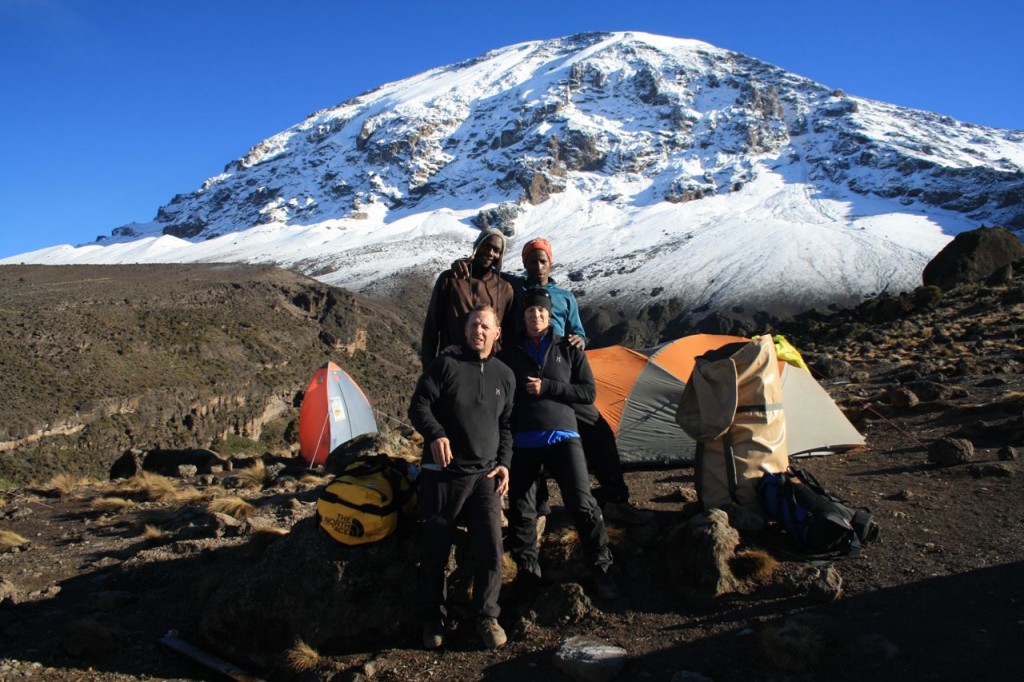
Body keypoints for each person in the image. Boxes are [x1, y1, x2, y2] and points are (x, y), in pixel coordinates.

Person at [458, 236, 652, 525]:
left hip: (562, 374)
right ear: (524, 264)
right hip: (525, 371)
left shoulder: (564, 297)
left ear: (550, 262)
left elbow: (579, 331)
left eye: (542, 260)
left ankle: (615, 498)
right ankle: (538, 507)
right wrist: (464, 264)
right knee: (527, 434)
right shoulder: (514, 289)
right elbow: (487, 269)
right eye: (531, 261)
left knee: (597, 430)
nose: (537, 265)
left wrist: (580, 339)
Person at [498, 288, 618, 610]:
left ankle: (602, 568)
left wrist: (548, 387)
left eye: (540, 311)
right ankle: (528, 577)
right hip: (524, 440)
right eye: (530, 312)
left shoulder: (569, 348)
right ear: (523, 316)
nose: (535, 316)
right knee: (522, 511)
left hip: (564, 435)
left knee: (582, 502)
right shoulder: (510, 352)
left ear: (549, 315)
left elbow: (588, 392)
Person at [408, 305, 515, 650]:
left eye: (485, 326)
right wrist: (436, 434)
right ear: (465, 330)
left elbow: (506, 426)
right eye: (473, 325)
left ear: (497, 333)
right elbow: (419, 405)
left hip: (484, 475)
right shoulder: (446, 365)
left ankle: (486, 616)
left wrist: (505, 463)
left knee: (491, 547)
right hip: (443, 475)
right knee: (435, 550)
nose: (478, 331)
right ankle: (433, 620)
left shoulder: (505, 375)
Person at [420, 228, 514, 370]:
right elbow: (432, 326)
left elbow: (507, 335)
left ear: (500, 255)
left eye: (496, 250)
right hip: (453, 364)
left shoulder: (505, 289)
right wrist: (429, 366)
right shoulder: (451, 279)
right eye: (486, 245)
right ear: (477, 245)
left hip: (489, 368)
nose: (490, 252)